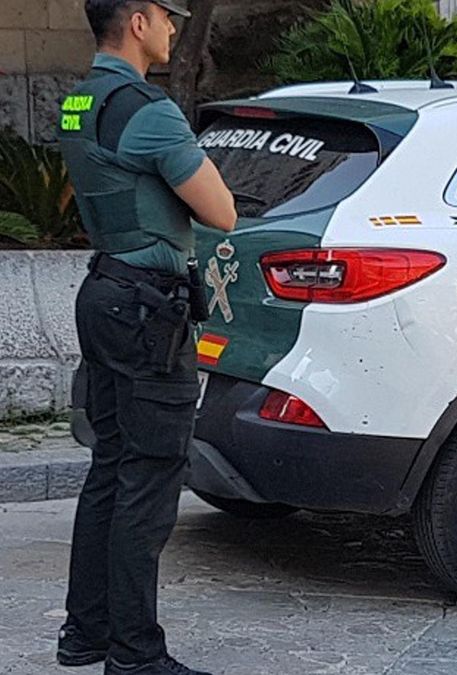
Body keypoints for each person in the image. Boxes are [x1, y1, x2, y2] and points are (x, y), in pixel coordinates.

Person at [54, 2, 236, 674]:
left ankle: (86, 632)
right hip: (146, 310)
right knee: (149, 477)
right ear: (136, 20)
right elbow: (221, 208)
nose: (174, 26)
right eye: (166, 13)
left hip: (104, 293)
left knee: (110, 466)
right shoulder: (146, 110)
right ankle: (135, 653)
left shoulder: (78, 102)